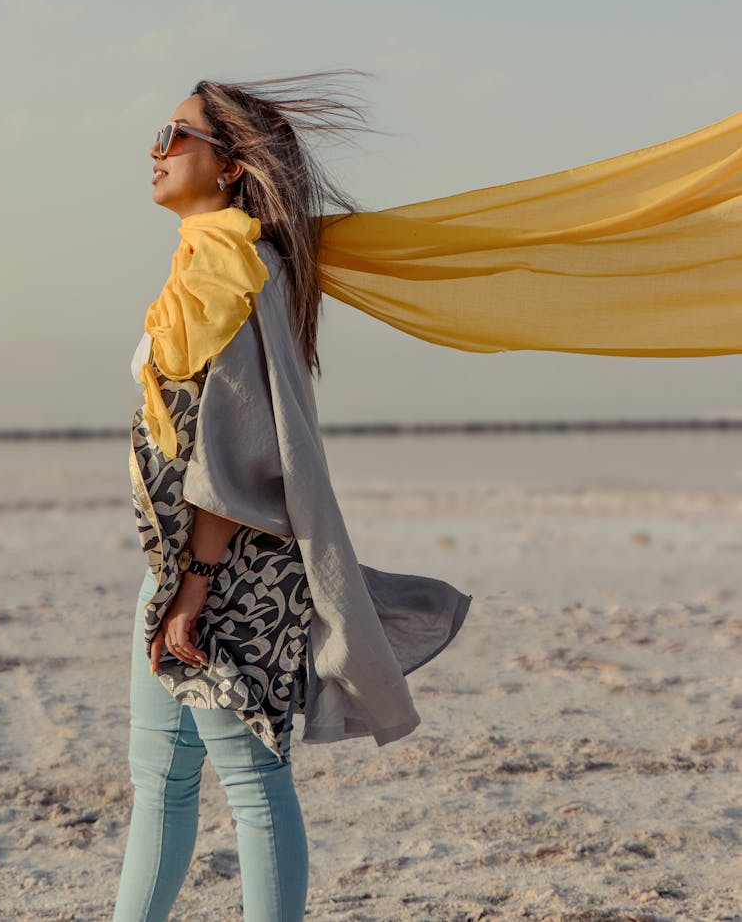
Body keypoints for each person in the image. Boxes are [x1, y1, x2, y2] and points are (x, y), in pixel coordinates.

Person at [112, 74, 472, 922]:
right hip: (180, 568)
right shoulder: (213, 260)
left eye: (175, 134)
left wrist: (195, 585)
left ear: (231, 165)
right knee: (158, 783)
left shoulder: (233, 263)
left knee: (249, 781)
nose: (154, 150)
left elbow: (236, 446)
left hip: (221, 569)